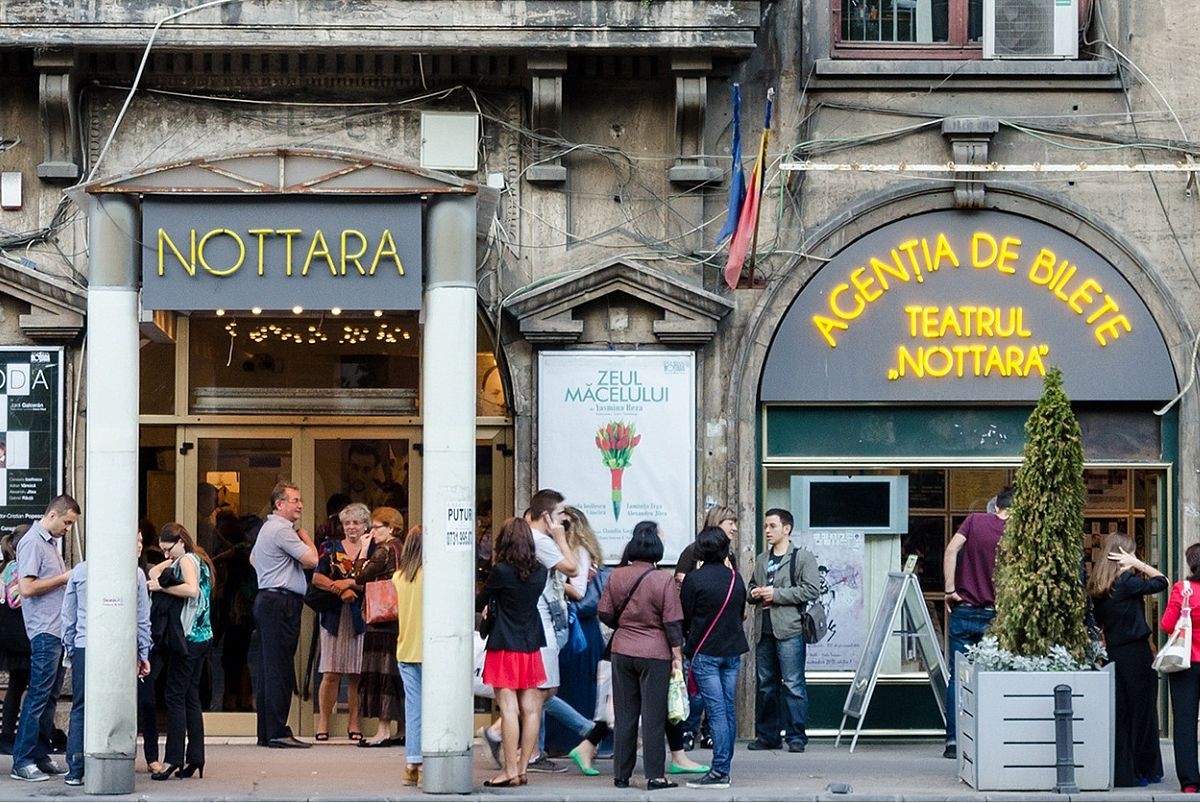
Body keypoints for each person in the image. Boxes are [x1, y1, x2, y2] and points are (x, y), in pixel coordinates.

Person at [481, 489, 577, 773]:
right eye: (559, 515)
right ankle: (521, 761)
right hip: (534, 632)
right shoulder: (542, 548)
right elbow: (572, 568)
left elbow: (488, 594)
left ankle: (514, 763)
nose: (563, 521)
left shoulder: (508, 563)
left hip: (512, 635)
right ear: (545, 515)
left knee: (518, 701)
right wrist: (560, 539)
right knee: (534, 700)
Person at [62, 531, 153, 786]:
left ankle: (75, 767)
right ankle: (115, 762)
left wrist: (70, 649)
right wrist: (143, 652)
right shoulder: (134, 573)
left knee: (81, 706)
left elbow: (68, 616)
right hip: (121, 646)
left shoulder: (81, 571)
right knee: (119, 702)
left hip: (84, 645)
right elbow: (142, 618)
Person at [598, 521, 683, 791]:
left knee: (625, 715)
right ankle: (655, 776)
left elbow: (605, 613)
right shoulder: (663, 580)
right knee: (653, 716)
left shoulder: (616, 576)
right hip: (655, 654)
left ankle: (621, 776)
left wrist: (626, 628)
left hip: (622, 651)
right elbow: (672, 622)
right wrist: (677, 655)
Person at [1088, 531, 1165, 787]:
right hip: (1136, 653)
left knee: (1123, 712)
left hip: (1115, 652)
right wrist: (1140, 565)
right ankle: (1143, 769)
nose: (1134, 557)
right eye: (1130, 553)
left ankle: (1125, 770)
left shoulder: (1099, 585)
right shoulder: (1127, 582)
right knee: (1143, 712)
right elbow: (1162, 581)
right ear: (1122, 555)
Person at [10, 494, 77, 783]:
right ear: (53, 515)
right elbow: (26, 587)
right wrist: (64, 578)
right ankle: (22, 760)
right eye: (67, 522)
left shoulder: (49, 544)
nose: (69, 529)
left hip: (57, 629)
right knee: (39, 695)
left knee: (49, 696)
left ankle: (39, 754)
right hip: (45, 631)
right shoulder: (32, 543)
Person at [941, 485, 1012, 760]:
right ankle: (990, 737)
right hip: (997, 616)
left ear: (996, 507)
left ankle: (953, 741)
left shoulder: (974, 521)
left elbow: (950, 551)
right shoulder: (1019, 532)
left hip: (965, 610)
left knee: (958, 678)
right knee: (994, 677)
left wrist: (950, 589)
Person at [477, 517, 548, 788]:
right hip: (531, 643)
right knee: (531, 710)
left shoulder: (501, 571)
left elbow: (480, 601)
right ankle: (521, 768)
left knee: (508, 710)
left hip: (504, 644)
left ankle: (508, 771)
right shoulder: (541, 571)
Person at [251, 481, 319, 749]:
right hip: (281, 602)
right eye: (295, 500)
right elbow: (311, 560)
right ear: (279, 504)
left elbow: (253, 560)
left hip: (269, 599)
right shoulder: (282, 530)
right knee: (279, 669)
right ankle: (278, 731)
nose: (300, 505)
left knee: (269, 668)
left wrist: (271, 572)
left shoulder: (267, 529)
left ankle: (267, 731)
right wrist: (307, 539)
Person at [681, 526, 749, 789]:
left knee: (716, 711)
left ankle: (720, 771)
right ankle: (724, 766)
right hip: (731, 651)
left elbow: (686, 617)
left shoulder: (694, 580)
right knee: (727, 710)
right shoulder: (736, 579)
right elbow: (740, 611)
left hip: (706, 652)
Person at [747, 507, 819, 753]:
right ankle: (768, 736)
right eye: (766, 526)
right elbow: (751, 588)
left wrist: (776, 594)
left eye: (772, 526)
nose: (767, 531)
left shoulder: (802, 558)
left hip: (789, 629)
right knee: (766, 684)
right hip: (763, 630)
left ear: (786, 529)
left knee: (793, 683)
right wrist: (754, 593)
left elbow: (811, 590)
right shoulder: (761, 559)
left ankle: (796, 736)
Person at [148, 523, 213, 780]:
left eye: (168, 549)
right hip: (202, 637)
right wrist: (166, 562)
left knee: (174, 696)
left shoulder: (186, 559)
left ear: (180, 542)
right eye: (163, 551)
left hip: (186, 639)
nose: (167, 556)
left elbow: (190, 589)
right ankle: (196, 757)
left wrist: (161, 587)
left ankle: (172, 759)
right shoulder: (197, 559)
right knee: (190, 697)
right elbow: (154, 570)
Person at [674, 505, 739, 752]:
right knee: (698, 692)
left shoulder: (728, 556)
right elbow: (681, 592)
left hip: (723, 635)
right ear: (715, 523)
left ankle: (711, 734)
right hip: (698, 636)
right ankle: (689, 729)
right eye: (729, 521)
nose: (734, 527)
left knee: (720, 697)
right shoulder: (691, 553)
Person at [546, 506, 606, 757]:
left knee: (572, 685)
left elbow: (579, 591)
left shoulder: (577, 551)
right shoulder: (583, 551)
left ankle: (572, 742)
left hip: (578, 628)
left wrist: (558, 584)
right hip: (583, 627)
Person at [312, 502, 372, 741]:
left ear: (365, 525)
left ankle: (354, 722)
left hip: (362, 616)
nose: (351, 528)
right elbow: (317, 577)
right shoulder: (330, 547)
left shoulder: (374, 549)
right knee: (331, 672)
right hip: (334, 617)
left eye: (356, 523)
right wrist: (339, 590)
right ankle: (323, 722)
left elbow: (376, 581)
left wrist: (351, 585)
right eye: (347, 523)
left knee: (357, 673)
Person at [357, 506, 405, 747]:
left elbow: (360, 576)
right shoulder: (403, 548)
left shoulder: (383, 551)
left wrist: (364, 551)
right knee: (397, 674)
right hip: (400, 618)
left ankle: (383, 730)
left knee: (382, 671)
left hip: (381, 619)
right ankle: (402, 729)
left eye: (377, 527)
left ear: (391, 528)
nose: (372, 532)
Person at [1162, 542, 1200, 793]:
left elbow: (1166, 624)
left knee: (1185, 723)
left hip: (1186, 663)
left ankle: (1189, 782)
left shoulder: (1183, 589)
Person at [393, 525, 424, 785]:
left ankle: (412, 764)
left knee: (413, 708)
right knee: (433, 708)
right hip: (431, 651)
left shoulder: (398, 577)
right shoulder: (433, 576)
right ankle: (429, 763)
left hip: (405, 649)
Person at [0, 526, 31, 756]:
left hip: (15, 637)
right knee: (28, 685)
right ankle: (9, 734)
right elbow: (15, 599)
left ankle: (9, 734)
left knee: (19, 684)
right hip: (18, 637)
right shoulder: (15, 568)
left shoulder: (8, 567)